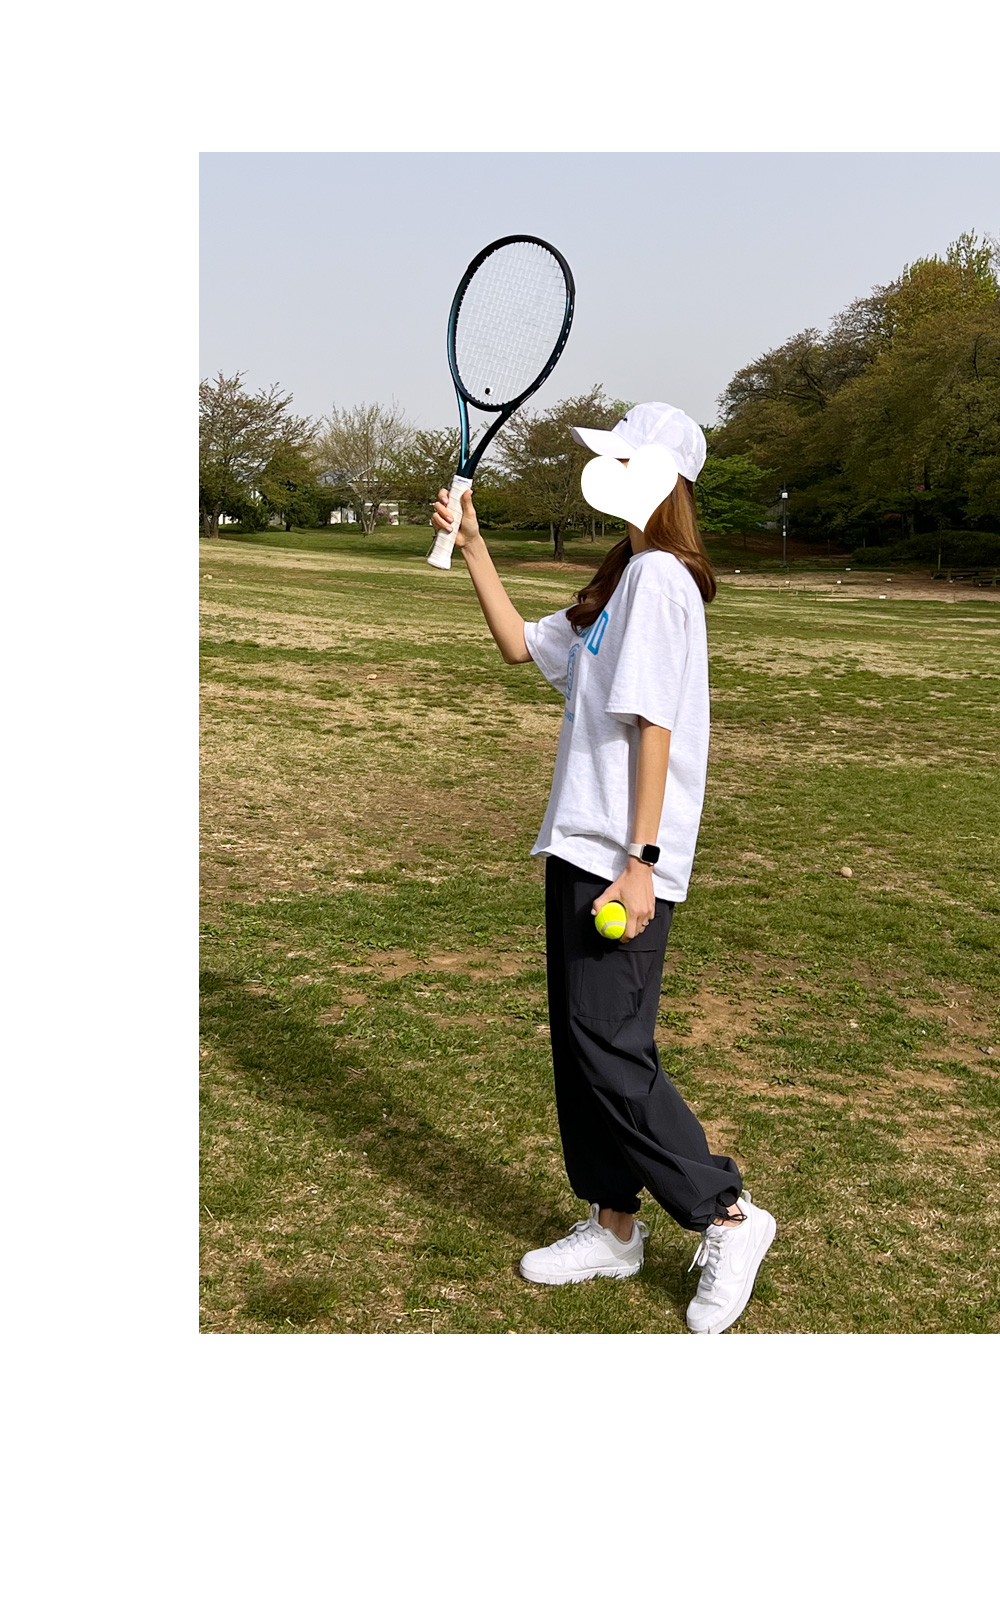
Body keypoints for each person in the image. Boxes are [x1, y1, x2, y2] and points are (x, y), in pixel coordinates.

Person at [431, 401, 776, 1334]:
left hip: (621, 856)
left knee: (609, 1047)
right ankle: (615, 1227)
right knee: (581, 1047)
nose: (610, 472)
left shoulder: (660, 579)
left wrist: (642, 860)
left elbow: (654, 722)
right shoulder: (624, 574)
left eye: (625, 461)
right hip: (580, 842)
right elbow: (519, 646)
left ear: (661, 480)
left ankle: (727, 1213)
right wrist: (474, 546)